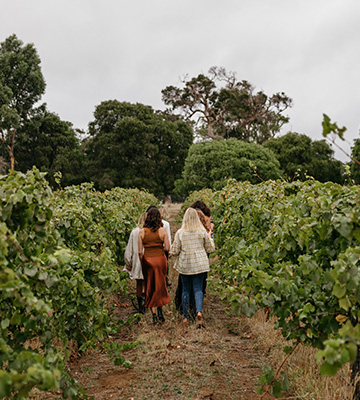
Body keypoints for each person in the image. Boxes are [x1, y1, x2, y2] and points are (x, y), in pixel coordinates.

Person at [170, 208, 215, 327]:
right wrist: (210, 236)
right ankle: (199, 311)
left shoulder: (180, 232)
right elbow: (210, 248)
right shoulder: (201, 232)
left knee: (186, 289)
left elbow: (174, 250)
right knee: (198, 289)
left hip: (186, 264)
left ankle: (185, 317)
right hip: (200, 264)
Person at [138, 208, 171, 324]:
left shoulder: (142, 232)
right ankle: (160, 310)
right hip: (160, 259)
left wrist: (143, 262)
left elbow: (140, 252)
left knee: (150, 286)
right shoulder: (162, 231)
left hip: (148, 260)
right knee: (160, 284)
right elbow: (167, 248)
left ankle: (154, 315)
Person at [124, 212, 147, 313]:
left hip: (137, 261)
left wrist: (128, 263)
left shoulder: (134, 232)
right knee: (146, 282)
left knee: (138, 283)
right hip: (147, 259)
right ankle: (145, 300)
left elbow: (129, 249)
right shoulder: (149, 231)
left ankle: (140, 305)